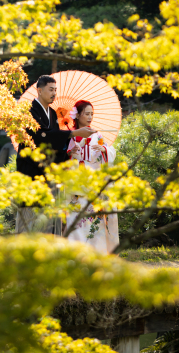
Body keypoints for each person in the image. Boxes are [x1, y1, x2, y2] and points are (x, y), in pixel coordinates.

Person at [15, 76, 95, 234]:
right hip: (31, 171)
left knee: (48, 218)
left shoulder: (51, 113)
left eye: (55, 90)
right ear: (39, 90)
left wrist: (66, 153)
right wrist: (73, 133)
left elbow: (53, 142)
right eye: (51, 89)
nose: (54, 93)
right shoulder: (29, 110)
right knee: (31, 217)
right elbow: (41, 135)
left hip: (48, 172)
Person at [64, 100, 119, 253]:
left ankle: (97, 254)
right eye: (86, 114)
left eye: (91, 114)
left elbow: (111, 152)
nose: (90, 117)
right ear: (78, 115)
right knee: (76, 221)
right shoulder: (70, 136)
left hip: (93, 184)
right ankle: (76, 254)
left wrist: (103, 150)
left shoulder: (97, 135)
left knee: (95, 221)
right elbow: (64, 159)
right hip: (75, 184)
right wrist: (74, 149)